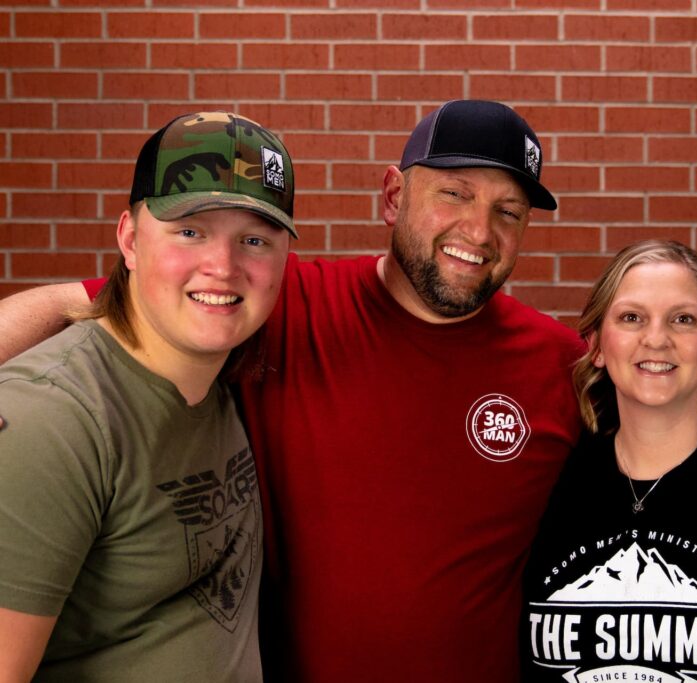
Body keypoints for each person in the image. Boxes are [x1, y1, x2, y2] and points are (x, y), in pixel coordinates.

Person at [0, 100, 583, 681]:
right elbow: (75, 304)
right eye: (454, 194)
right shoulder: (277, 303)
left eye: (509, 211)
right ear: (394, 196)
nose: (480, 231)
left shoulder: (560, 363)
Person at [0, 111, 296, 681]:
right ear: (131, 240)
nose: (223, 267)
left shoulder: (220, 375)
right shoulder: (51, 422)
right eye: (190, 231)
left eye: (254, 240)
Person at [520, 240, 697, 681]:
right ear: (596, 346)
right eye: (631, 318)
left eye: (683, 320)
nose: (656, 339)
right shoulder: (553, 481)